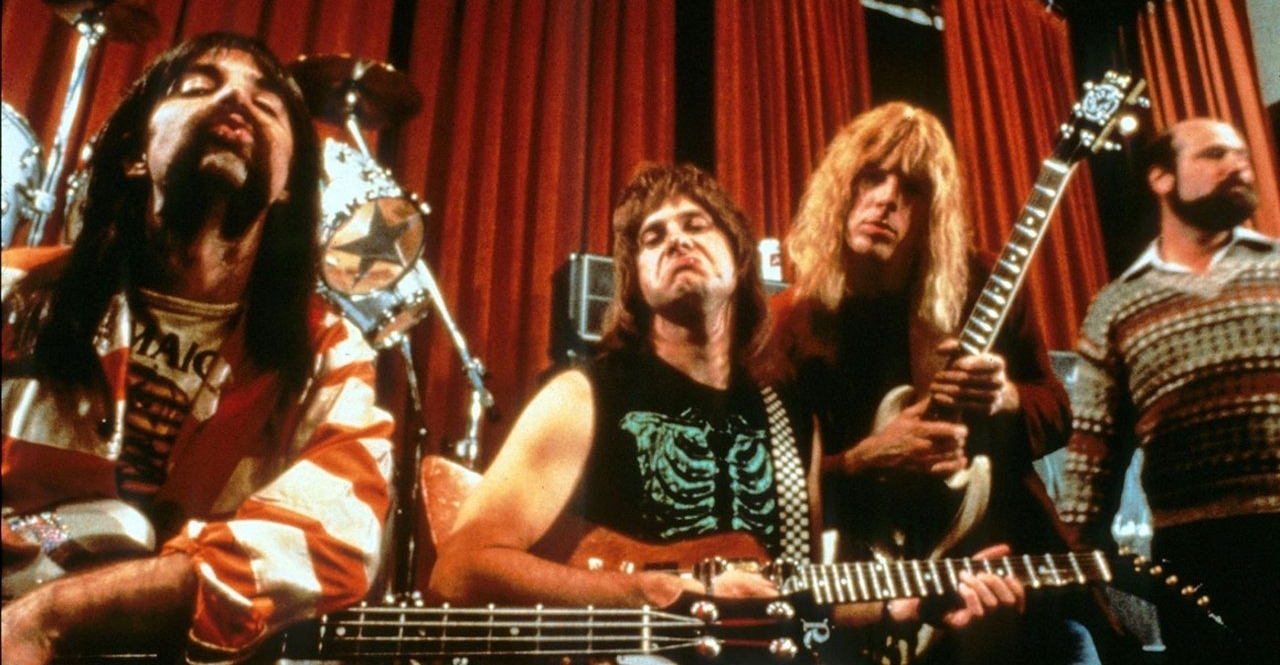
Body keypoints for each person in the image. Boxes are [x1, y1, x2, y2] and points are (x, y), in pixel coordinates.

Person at [429, 162, 1023, 662]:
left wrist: (909, 602)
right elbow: (459, 569)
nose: (676, 241)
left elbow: (790, 594)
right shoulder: (583, 394)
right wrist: (652, 595)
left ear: (739, 258)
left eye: (696, 225)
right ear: (635, 283)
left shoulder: (791, 414)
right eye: (652, 237)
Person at [1, 32, 395, 663]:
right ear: (135, 152)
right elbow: (39, 533)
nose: (235, 98)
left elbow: (337, 539)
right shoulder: (14, 292)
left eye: (266, 103)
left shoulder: (327, 353)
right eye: (197, 86)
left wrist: (52, 614)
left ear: (287, 186)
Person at [769, 102, 1117, 664]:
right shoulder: (792, 323)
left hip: (1001, 568)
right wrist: (859, 461)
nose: (887, 199)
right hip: (872, 585)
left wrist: (1006, 398)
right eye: (871, 177)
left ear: (934, 211)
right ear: (840, 191)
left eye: (912, 188)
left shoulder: (980, 285)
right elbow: (768, 485)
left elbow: (1056, 408)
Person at [1058, 118, 1279, 664]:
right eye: (1215, 154)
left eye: (1242, 155)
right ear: (1162, 177)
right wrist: (1085, 570)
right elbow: (1091, 456)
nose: (1238, 165)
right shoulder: (1116, 307)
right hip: (1194, 562)